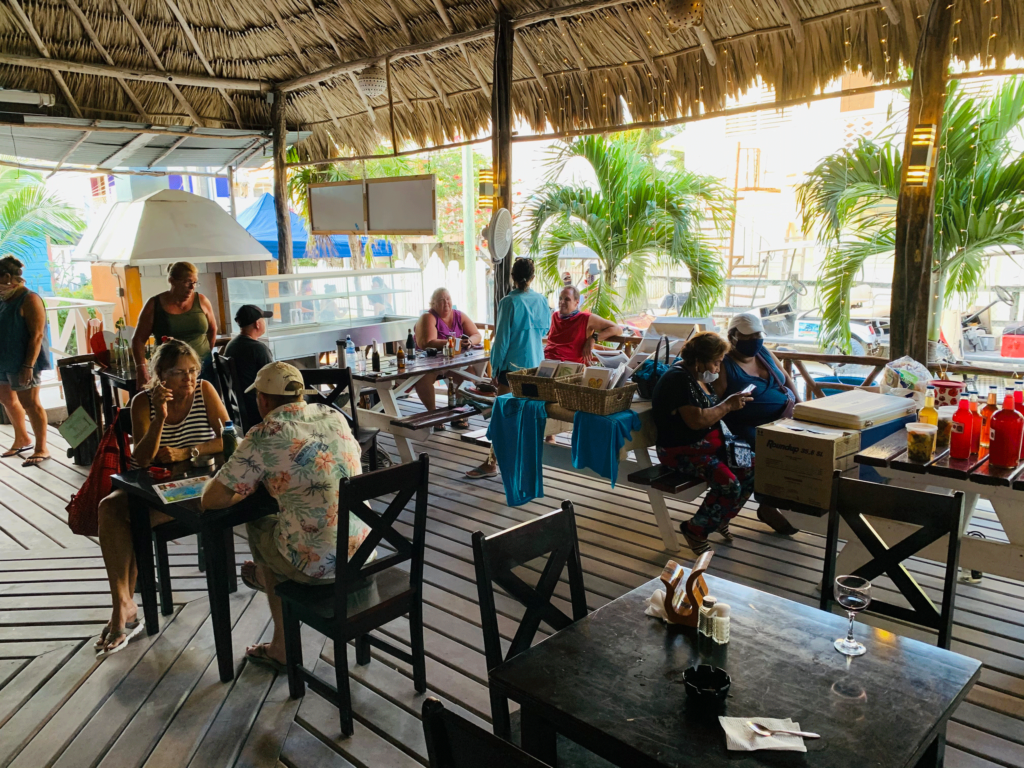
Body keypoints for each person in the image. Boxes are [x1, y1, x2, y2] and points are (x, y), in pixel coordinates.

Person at [201, 362, 368, 670]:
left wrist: (244, 489)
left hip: (317, 569)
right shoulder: (333, 417)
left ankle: (281, 644)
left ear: (262, 399)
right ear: (300, 394)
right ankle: (268, 574)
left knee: (259, 524)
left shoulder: (264, 434)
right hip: (361, 554)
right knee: (291, 524)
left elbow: (212, 500)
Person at [95, 340, 229, 654]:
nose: (189, 378)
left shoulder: (205, 391)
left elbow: (229, 437)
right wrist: (159, 419)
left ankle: (123, 610)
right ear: (160, 375)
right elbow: (141, 458)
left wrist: (189, 450)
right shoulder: (144, 401)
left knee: (127, 524)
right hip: (156, 487)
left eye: (193, 370)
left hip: (198, 488)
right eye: (179, 373)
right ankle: (124, 603)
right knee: (109, 508)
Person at [651, 331, 754, 555]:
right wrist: (727, 406)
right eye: (716, 362)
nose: (718, 368)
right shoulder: (677, 380)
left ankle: (719, 519)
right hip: (680, 449)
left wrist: (729, 403)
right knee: (729, 483)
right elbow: (697, 421)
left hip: (708, 445)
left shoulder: (695, 377)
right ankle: (695, 529)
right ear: (699, 361)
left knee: (752, 467)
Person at [715, 312, 801, 536]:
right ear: (733, 337)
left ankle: (780, 503)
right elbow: (718, 402)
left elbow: (786, 377)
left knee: (809, 448)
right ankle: (768, 505)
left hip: (785, 416)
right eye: (748, 336)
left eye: (758, 335)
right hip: (748, 426)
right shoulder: (725, 364)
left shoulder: (763, 352)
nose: (755, 340)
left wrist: (802, 404)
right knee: (777, 451)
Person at [466, 258, 551, 479]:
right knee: (528, 415)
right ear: (532, 278)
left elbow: (501, 340)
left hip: (512, 368)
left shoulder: (508, 302)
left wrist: (494, 370)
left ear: (511, 277)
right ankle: (523, 462)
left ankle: (492, 462)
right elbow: (545, 331)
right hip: (536, 366)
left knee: (502, 416)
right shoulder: (541, 301)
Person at [0, 256, 52, 467]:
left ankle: (42, 447)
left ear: (7, 277)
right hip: (4, 358)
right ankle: (22, 438)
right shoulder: (4, 298)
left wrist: (28, 365)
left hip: (23, 361)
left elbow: (37, 335)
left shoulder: (29, 299)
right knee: (6, 399)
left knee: (30, 403)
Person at [132, 262, 217, 387]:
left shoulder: (202, 301)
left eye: (195, 283)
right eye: (187, 282)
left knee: (205, 403)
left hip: (202, 367)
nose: (192, 287)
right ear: (172, 281)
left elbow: (212, 330)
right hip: (170, 370)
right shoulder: (154, 304)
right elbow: (138, 339)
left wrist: (203, 354)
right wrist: (141, 368)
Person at [413, 288, 483, 429]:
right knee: (423, 378)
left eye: (448, 299)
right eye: (441, 300)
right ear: (433, 304)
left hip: (453, 362)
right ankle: (434, 416)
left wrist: (469, 341)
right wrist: (456, 342)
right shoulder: (428, 317)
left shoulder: (459, 316)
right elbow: (427, 342)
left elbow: (476, 334)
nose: (446, 303)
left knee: (469, 375)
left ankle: (459, 413)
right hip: (429, 362)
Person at [544, 284, 623, 365]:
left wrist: (593, 338)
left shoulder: (585, 318)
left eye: (567, 299)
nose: (562, 302)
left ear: (576, 302)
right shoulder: (555, 316)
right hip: (547, 362)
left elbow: (617, 329)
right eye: (560, 298)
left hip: (568, 367)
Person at [222, 304, 274, 427]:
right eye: (263, 320)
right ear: (257, 324)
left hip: (239, 409)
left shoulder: (231, 345)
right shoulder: (258, 348)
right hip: (256, 410)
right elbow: (273, 379)